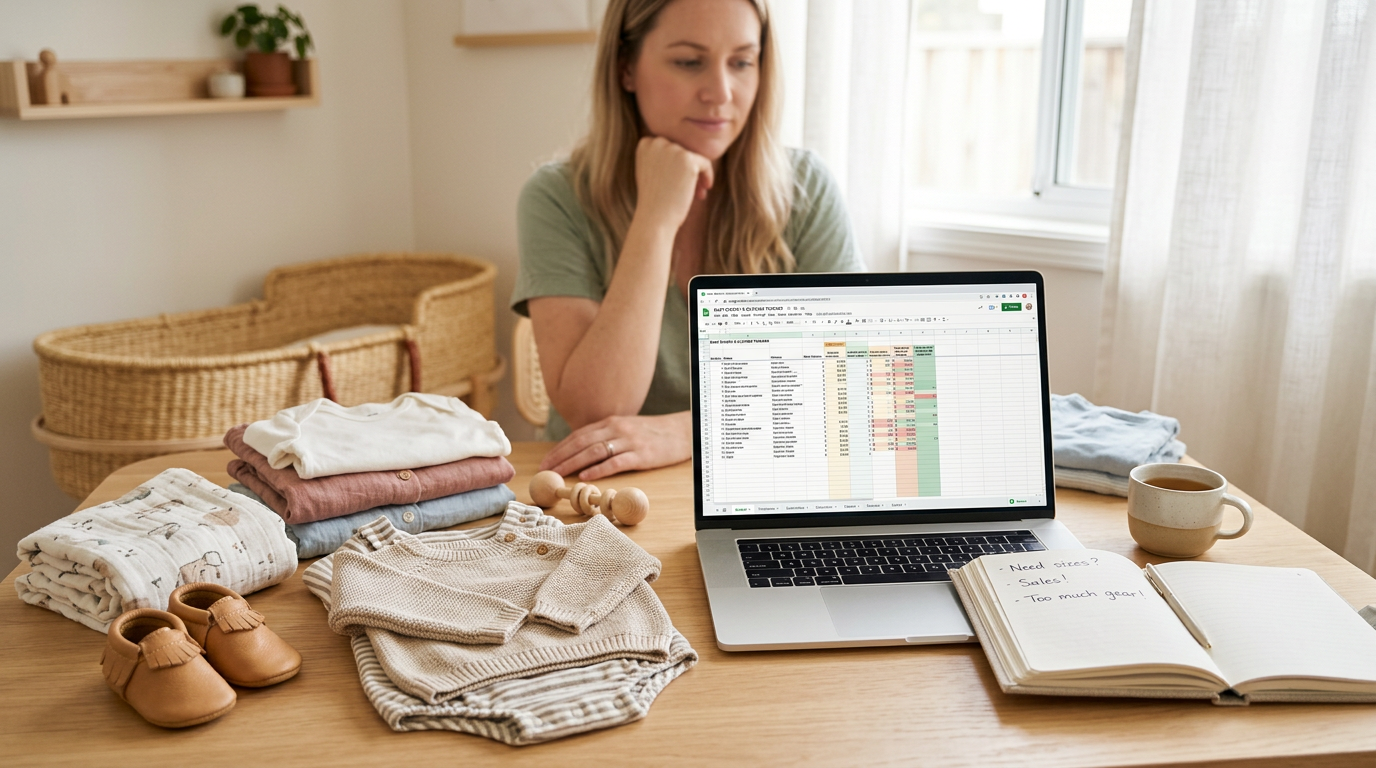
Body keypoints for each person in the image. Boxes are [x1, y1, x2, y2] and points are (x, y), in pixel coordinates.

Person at [512, 0, 863, 481]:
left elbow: (848, 388)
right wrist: (656, 219)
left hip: (763, 478)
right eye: (689, 62)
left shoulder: (805, 188)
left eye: (742, 62)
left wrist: (687, 431)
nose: (720, 92)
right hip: (603, 492)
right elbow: (598, 409)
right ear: (626, 67)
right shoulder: (556, 197)